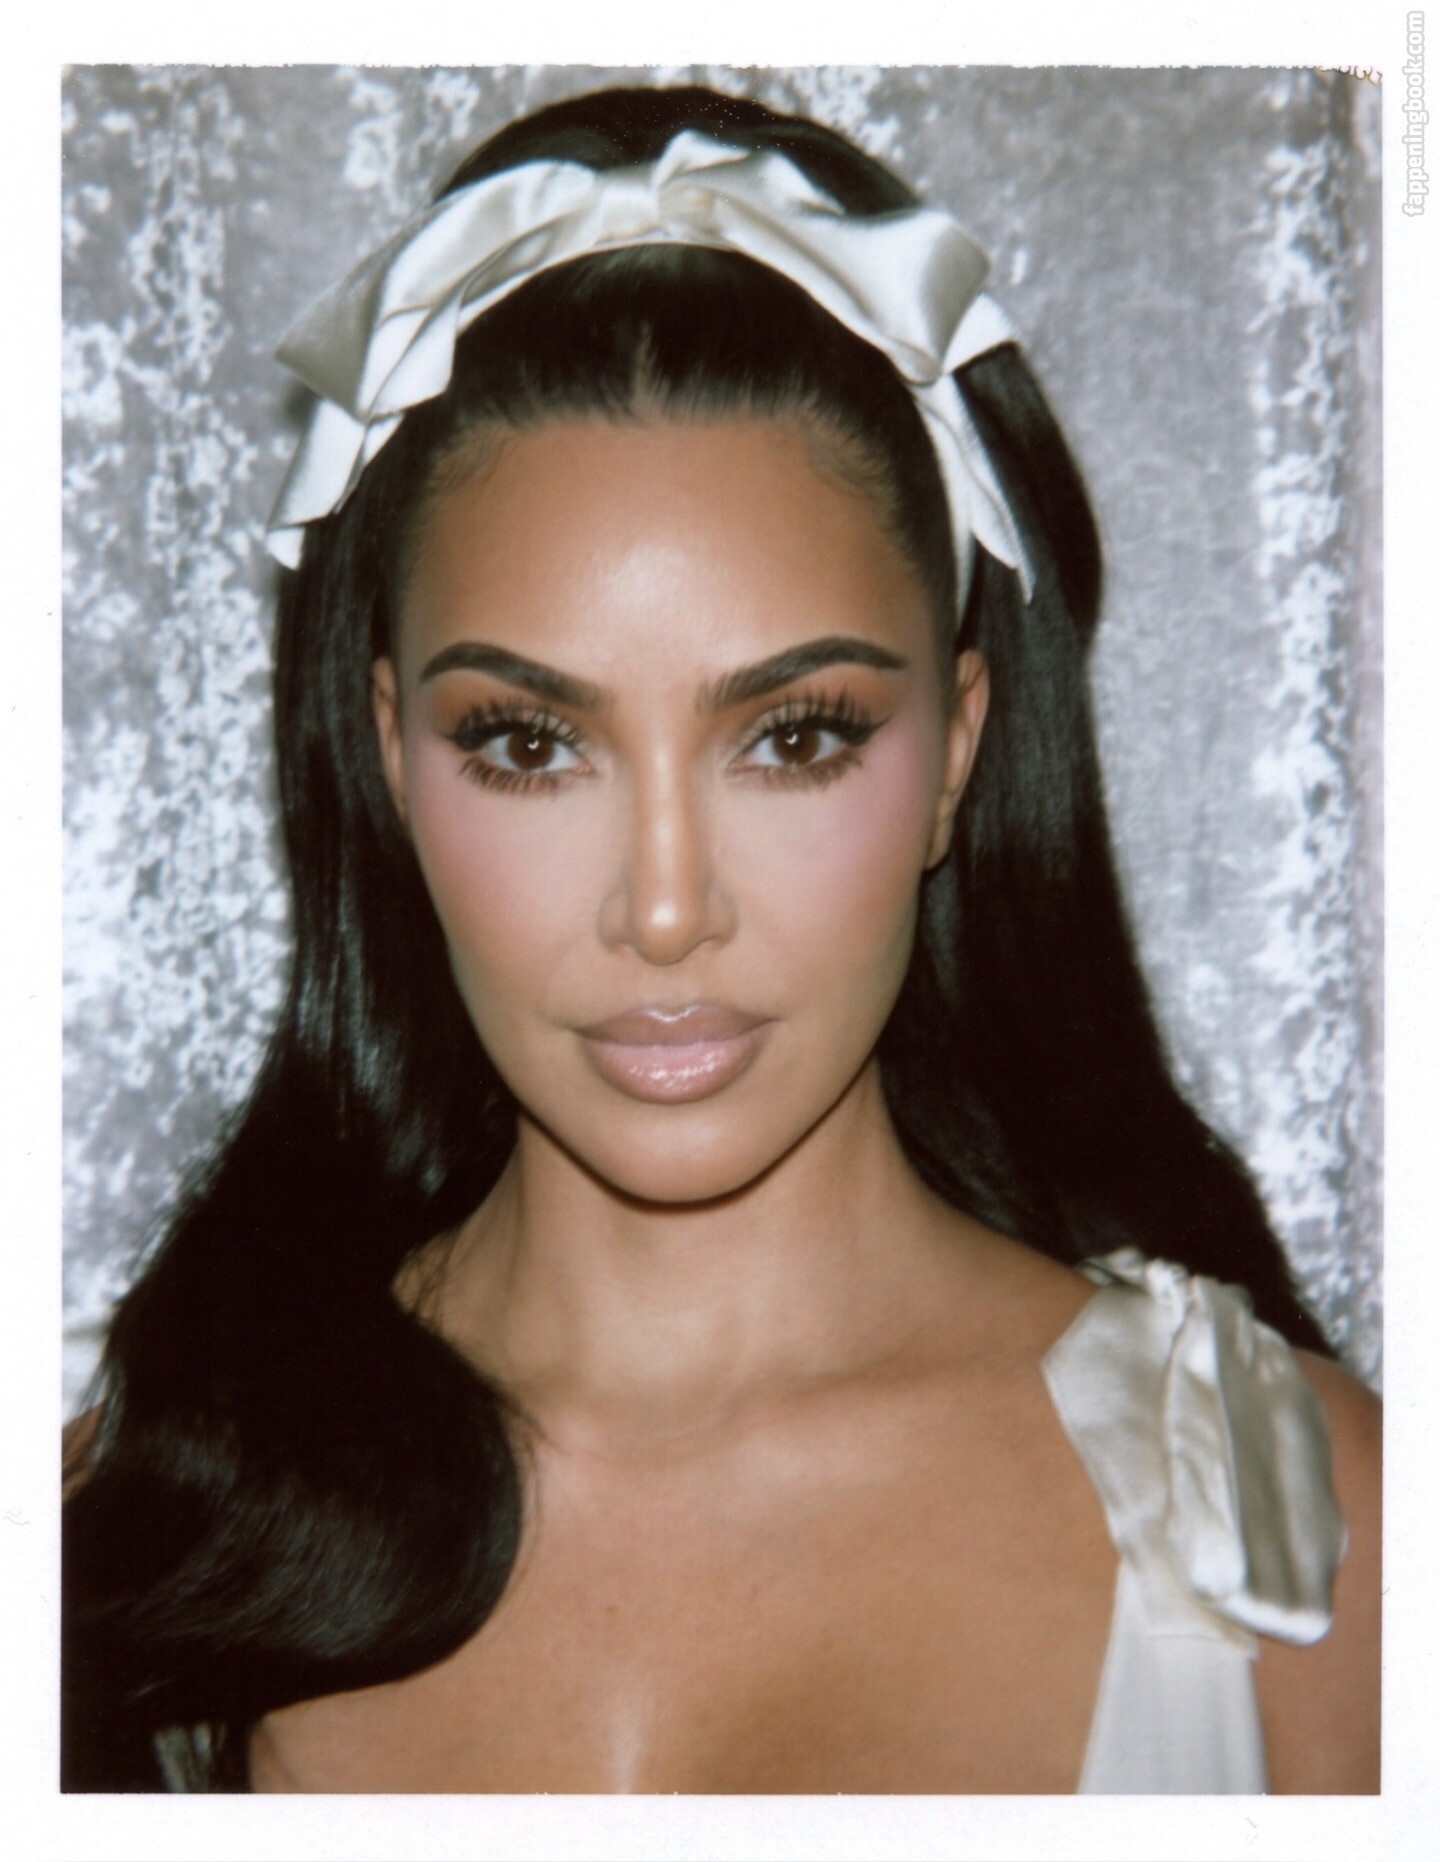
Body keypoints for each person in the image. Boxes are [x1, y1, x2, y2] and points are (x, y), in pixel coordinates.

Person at [61, 83, 1380, 1795]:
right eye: (529, 743)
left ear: (959, 749)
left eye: (797, 733)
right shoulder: (128, 1520)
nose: (668, 908)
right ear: (389, 755)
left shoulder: (1311, 1547)